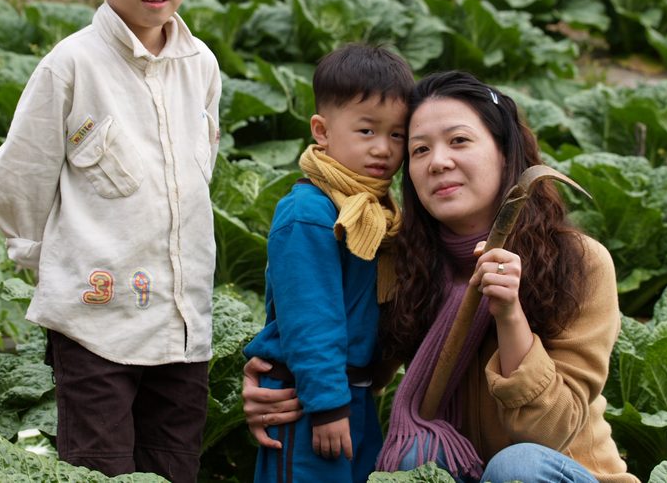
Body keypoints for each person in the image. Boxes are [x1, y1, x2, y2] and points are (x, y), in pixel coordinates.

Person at [244, 70, 640, 483]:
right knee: (414, 458)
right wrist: (277, 381)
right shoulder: (406, 260)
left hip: (558, 471)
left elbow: (549, 432)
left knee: (515, 467)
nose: (439, 162)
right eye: (419, 150)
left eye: (459, 141)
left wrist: (509, 314)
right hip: (459, 469)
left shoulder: (578, 261)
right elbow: (355, 363)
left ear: (506, 151)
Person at [0, 0, 221, 482]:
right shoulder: (71, 65)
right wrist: (43, 260)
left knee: (175, 462)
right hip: (94, 316)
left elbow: (203, 162)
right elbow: (23, 170)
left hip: (180, 315)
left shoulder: (203, 66)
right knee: (100, 467)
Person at [243, 43, 415, 483]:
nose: (383, 149)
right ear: (321, 130)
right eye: (366, 131)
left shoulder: (380, 212)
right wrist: (326, 406)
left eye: (397, 135)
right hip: (306, 398)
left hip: (352, 392)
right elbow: (310, 318)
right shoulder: (310, 212)